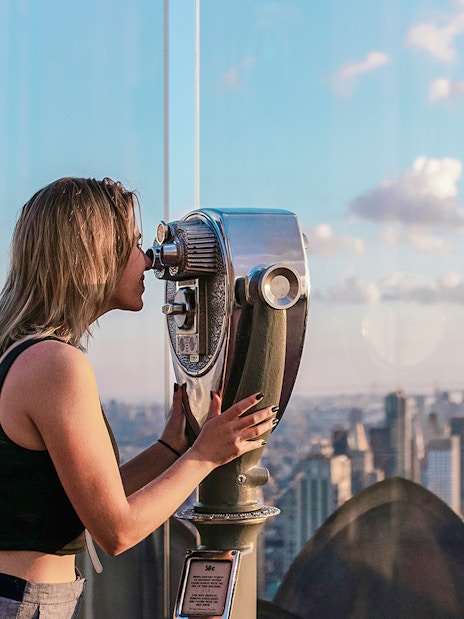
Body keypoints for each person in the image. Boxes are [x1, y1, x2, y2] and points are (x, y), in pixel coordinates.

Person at [0, 177, 277, 618]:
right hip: (25, 603)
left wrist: (172, 449)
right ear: (93, 258)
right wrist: (205, 456)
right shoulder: (55, 365)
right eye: (132, 244)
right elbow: (116, 531)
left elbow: (85, 500)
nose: (148, 259)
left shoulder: (20, 353)